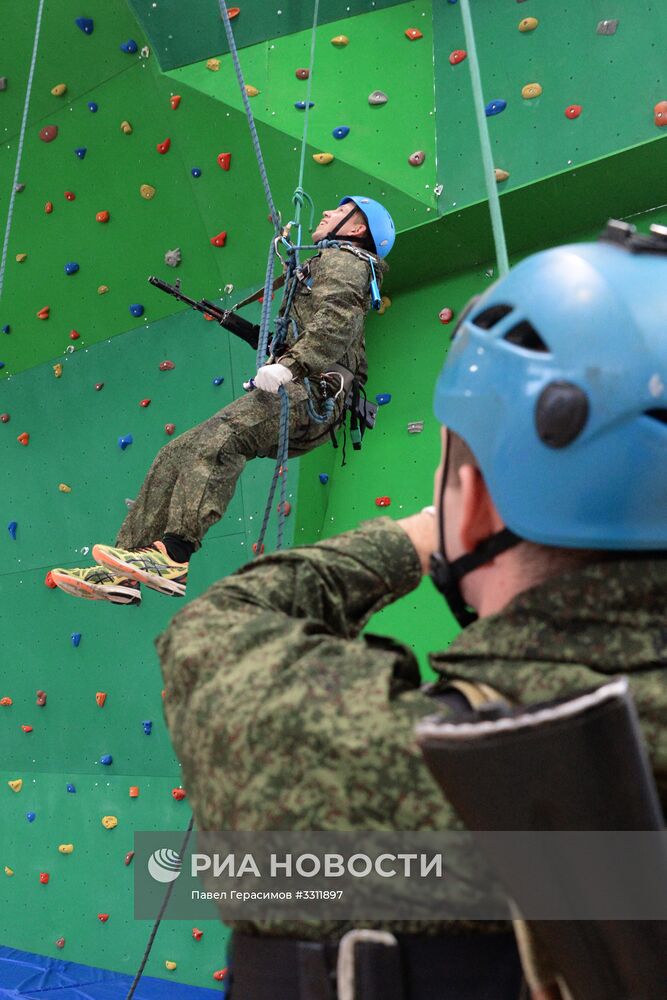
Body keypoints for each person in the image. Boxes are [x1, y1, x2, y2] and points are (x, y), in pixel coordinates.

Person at [155, 219, 667, 998]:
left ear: (478, 504)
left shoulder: (395, 763)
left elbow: (214, 633)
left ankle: (161, 547)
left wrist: (420, 534)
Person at [49, 196, 394, 606]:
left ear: (357, 229)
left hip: (312, 394)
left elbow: (335, 324)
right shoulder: (321, 264)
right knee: (176, 453)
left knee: (222, 439)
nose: (327, 214)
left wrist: (290, 365)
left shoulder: (346, 261)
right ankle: (123, 571)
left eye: (340, 212)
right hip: (306, 389)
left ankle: (174, 557)